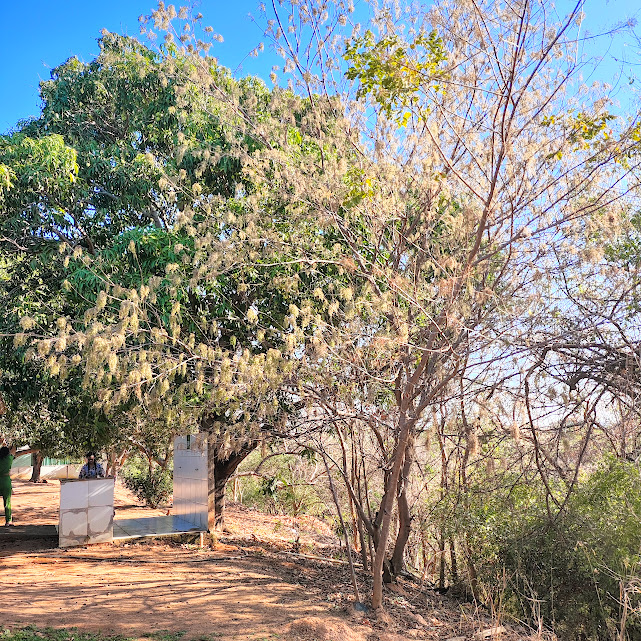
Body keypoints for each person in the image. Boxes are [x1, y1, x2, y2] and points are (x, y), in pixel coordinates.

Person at [0, 444, 17, 526]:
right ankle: (8, 521)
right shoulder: (9, 459)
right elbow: (13, 450)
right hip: (6, 480)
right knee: (7, 502)